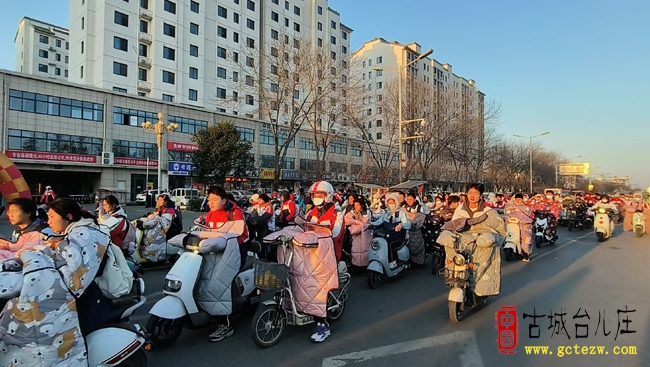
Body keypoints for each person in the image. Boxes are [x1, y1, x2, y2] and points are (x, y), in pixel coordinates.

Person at [0, 198, 110, 367]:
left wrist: (35, 260)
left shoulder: (83, 233)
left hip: (85, 300)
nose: (48, 221)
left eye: (51, 216)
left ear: (68, 217)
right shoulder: (66, 234)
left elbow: (72, 272)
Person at [192, 186, 249, 342]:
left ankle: (226, 324)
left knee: (221, 283)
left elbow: (235, 235)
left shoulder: (235, 213)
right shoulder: (210, 213)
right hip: (215, 251)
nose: (211, 202)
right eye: (209, 199)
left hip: (235, 251)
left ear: (224, 200)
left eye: (215, 199)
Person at [302, 181, 344, 342]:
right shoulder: (311, 212)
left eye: (320, 195)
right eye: (314, 195)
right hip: (309, 254)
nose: (316, 198)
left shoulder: (337, 213)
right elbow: (303, 228)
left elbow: (336, 234)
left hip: (329, 255)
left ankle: (323, 325)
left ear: (328, 196)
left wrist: (316, 232)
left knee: (317, 290)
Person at [370, 192, 411, 268]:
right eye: (389, 203)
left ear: (396, 203)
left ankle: (392, 262)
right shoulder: (385, 213)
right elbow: (378, 222)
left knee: (388, 244)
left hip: (398, 236)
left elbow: (408, 225)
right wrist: (369, 223)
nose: (391, 205)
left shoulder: (401, 213)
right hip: (386, 235)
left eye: (392, 203)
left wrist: (401, 225)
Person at [137, 193, 177, 262]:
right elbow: (151, 215)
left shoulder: (170, 210)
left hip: (170, 231)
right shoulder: (159, 210)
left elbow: (166, 223)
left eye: (160, 201)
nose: (158, 202)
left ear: (165, 202)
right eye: (158, 200)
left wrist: (156, 217)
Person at [504, 193, 534, 262]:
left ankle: (526, 254)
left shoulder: (526, 208)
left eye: (520, 199)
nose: (518, 201)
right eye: (516, 199)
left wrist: (523, 221)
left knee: (525, 238)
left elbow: (530, 217)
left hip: (523, 226)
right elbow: (506, 214)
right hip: (512, 225)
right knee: (508, 235)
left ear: (522, 200)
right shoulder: (509, 206)